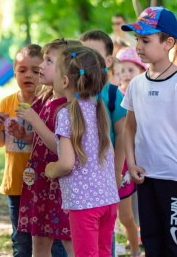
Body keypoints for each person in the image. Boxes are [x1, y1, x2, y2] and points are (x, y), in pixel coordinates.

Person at [9, 39, 82, 257]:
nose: (41, 66)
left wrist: (36, 122)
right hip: (40, 183)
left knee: (71, 242)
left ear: (67, 74)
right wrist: (26, 135)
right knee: (38, 243)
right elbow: (42, 140)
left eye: (49, 61)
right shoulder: (43, 99)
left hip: (62, 186)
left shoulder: (70, 107)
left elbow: (61, 149)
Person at [45, 46, 120, 256]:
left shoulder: (66, 114)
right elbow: (111, 153)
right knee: (104, 252)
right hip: (108, 200)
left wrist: (51, 169)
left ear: (65, 81)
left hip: (84, 204)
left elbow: (66, 163)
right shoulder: (99, 109)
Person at [121, 6, 177, 256]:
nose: (139, 46)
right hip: (145, 175)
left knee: (173, 242)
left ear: (168, 42)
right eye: (137, 40)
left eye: (146, 40)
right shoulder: (136, 84)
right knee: (151, 240)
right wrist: (131, 164)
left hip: (173, 177)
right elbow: (129, 128)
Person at [0, 44, 42, 257]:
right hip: (16, 184)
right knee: (20, 239)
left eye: (35, 70)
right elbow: (1, 142)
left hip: (44, 185)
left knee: (50, 239)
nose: (28, 75)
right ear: (14, 73)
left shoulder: (48, 103)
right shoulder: (7, 102)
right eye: (22, 70)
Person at [80, 30, 126, 257]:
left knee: (105, 241)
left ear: (108, 61)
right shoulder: (74, 94)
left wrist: (116, 177)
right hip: (80, 183)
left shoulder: (112, 96)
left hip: (106, 182)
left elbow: (123, 138)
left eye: (94, 54)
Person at [115, 47, 147, 257]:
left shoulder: (143, 94)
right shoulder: (113, 96)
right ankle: (121, 246)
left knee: (131, 214)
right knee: (122, 215)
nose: (125, 75)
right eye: (121, 70)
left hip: (139, 161)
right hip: (120, 162)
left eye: (130, 70)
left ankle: (136, 248)